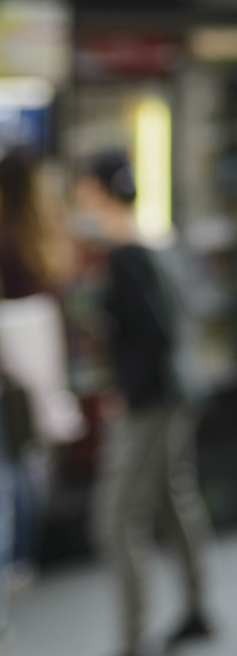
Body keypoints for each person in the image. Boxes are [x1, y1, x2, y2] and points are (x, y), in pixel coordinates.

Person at [77, 155, 214, 656]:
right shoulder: (152, 240)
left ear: (96, 189)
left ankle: (130, 642)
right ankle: (197, 607)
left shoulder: (123, 254)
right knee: (172, 495)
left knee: (115, 519)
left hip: (149, 400)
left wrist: (124, 393)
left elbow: (148, 332)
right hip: (175, 392)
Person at [0, 146, 81, 611]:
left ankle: (12, 563)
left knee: (11, 469)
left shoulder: (6, 233)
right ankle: (24, 561)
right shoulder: (48, 229)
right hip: (44, 365)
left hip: (12, 369)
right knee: (30, 466)